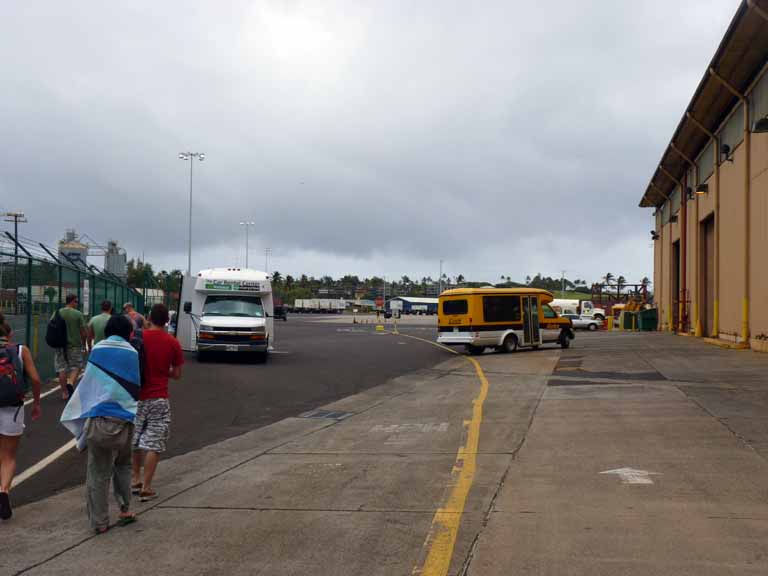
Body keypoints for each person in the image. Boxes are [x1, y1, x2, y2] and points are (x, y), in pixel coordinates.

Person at [61, 315, 140, 533]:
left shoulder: (98, 350)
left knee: (97, 472)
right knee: (123, 465)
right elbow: (135, 386)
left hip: (99, 419)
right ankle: (124, 510)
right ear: (128, 332)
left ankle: (99, 522)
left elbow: (90, 385)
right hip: (125, 418)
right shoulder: (133, 353)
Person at [131, 303, 183, 502]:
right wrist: (164, 372)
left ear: (149, 318)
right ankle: (146, 486)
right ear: (167, 321)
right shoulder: (172, 342)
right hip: (159, 398)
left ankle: (134, 478)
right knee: (154, 443)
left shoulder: (137, 338)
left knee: (135, 439)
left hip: (136, 396)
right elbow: (177, 374)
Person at [0, 313, 42, 520]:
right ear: (9, 333)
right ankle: (4, 491)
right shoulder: (19, 350)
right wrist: (36, 402)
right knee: (7, 456)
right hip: (13, 408)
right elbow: (35, 378)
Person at [55, 294, 87, 400]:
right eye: (76, 302)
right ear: (73, 301)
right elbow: (83, 331)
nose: (77, 304)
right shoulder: (77, 314)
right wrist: (83, 344)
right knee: (77, 366)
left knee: (61, 368)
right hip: (74, 345)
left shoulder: (58, 312)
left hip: (60, 345)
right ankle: (70, 382)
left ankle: (64, 393)